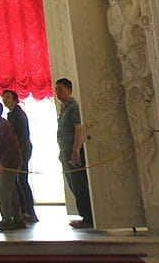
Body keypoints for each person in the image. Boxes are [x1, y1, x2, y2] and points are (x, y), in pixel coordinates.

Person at [55, 78, 93, 228]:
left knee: (79, 185)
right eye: (56, 89)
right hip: (65, 151)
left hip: (73, 151)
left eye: (60, 89)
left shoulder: (73, 107)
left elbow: (78, 129)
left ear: (69, 90)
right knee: (73, 184)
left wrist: (76, 150)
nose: (57, 92)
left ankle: (88, 217)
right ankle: (85, 215)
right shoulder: (64, 108)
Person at [0, 101, 25, 231]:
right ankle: (17, 219)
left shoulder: (3, 126)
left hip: (9, 164)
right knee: (10, 191)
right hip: (5, 163)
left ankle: (7, 220)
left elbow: (10, 146)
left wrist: (3, 164)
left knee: (2, 191)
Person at [3, 89, 37, 223]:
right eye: (3, 97)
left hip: (22, 150)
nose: (5, 99)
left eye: (7, 97)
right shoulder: (10, 115)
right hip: (16, 151)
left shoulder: (19, 115)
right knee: (18, 181)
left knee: (22, 180)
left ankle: (29, 211)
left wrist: (19, 154)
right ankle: (22, 209)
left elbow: (22, 136)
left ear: (15, 99)